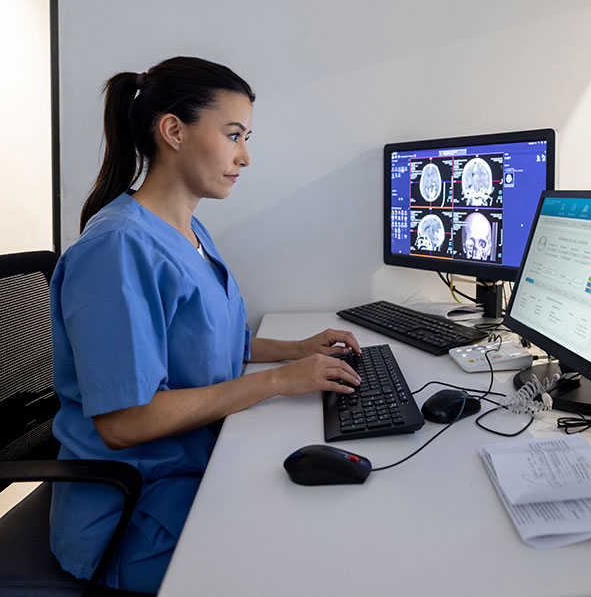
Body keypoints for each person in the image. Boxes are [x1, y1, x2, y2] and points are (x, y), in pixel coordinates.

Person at [49, 56, 362, 593]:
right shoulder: (117, 250)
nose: (245, 156)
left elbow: (207, 343)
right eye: (234, 134)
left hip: (192, 464)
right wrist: (278, 382)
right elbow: (123, 422)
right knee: (310, 556)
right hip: (132, 513)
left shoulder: (186, 231)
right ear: (173, 130)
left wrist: (295, 350)